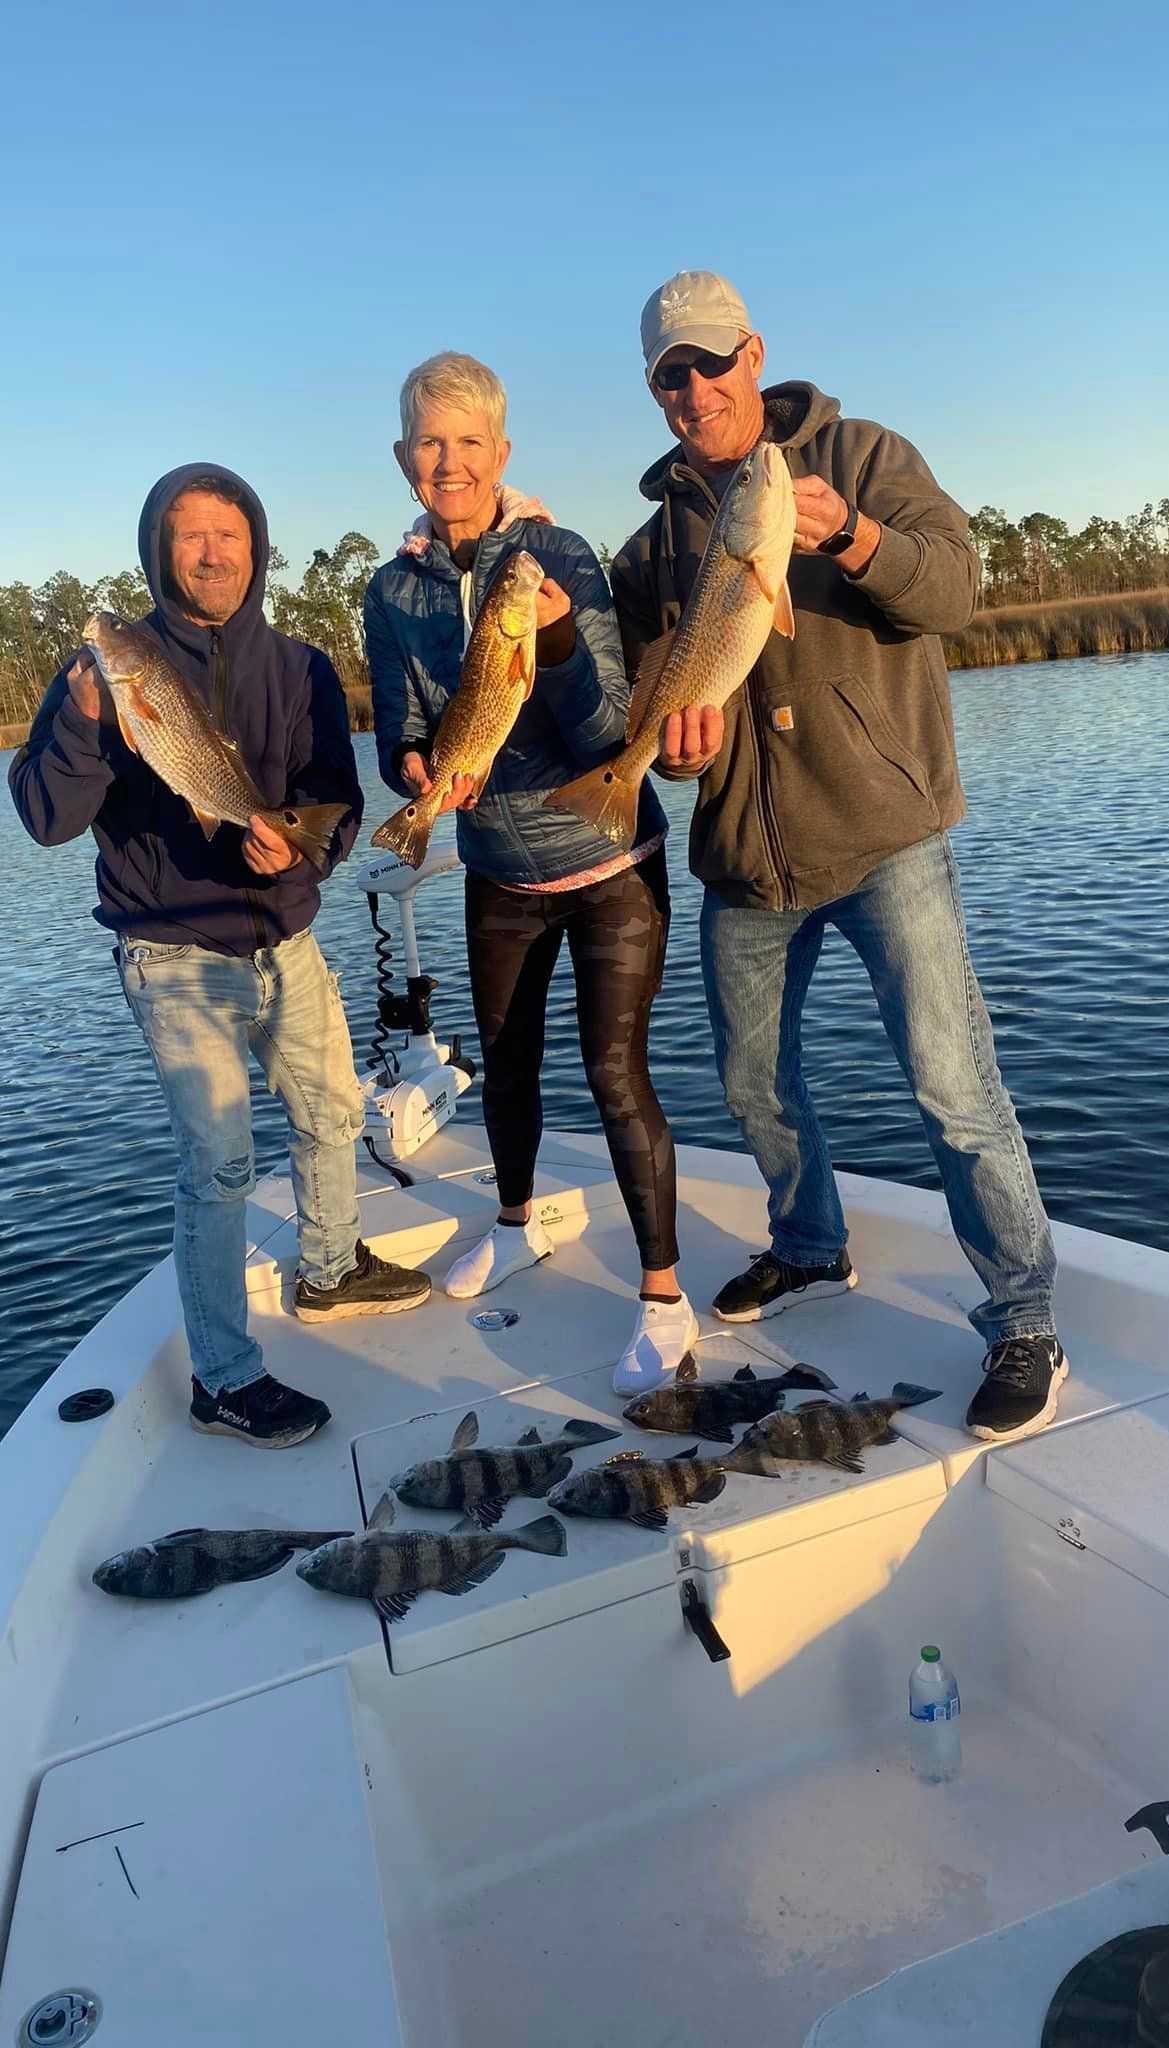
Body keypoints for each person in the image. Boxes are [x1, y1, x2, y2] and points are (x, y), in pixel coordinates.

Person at [611, 272, 1067, 1443]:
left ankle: (1023, 1318)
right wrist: (673, 755)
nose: (696, 387)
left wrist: (857, 538)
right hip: (746, 864)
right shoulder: (653, 539)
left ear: (754, 355)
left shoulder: (861, 455)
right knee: (753, 1081)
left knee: (951, 1083)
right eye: (672, 372)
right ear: (655, 389)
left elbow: (957, 589)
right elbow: (666, 714)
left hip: (884, 836)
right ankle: (811, 1246)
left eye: (713, 361)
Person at [10, 464, 429, 1450]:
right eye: (189, 536)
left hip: (285, 934)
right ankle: (224, 1377)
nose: (211, 552)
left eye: (228, 535)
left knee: (334, 1113)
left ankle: (331, 1269)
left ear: (257, 547)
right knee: (221, 1157)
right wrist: (79, 721)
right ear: (162, 551)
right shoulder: (103, 676)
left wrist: (306, 846)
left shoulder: (301, 666)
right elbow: (43, 815)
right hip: (173, 950)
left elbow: (335, 794)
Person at [365, 352, 696, 1394]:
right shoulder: (391, 589)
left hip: (609, 862)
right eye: (431, 442)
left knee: (612, 1071)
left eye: (470, 442)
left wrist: (549, 632)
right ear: (403, 458)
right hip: (494, 865)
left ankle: (663, 1294)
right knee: (505, 1065)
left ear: (501, 453)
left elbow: (604, 726)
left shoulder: (559, 556)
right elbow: (399, 730)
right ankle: (513, 1223)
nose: (450, 461)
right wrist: (416, 770)